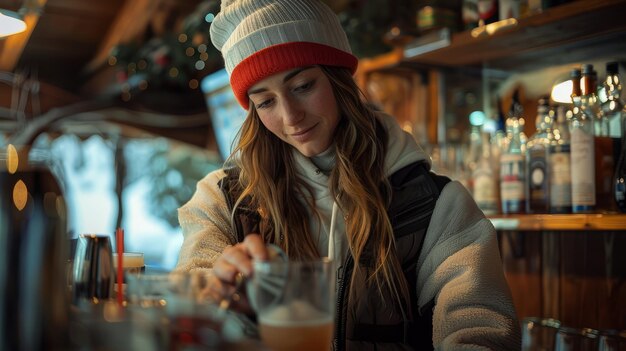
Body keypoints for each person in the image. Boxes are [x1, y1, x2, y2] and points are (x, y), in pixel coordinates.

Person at [176, 0, 521, 349]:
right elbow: (186, 315)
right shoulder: (221, 199)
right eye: (265, 102)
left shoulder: (437, 205)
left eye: (302, 86)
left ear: (338, 78)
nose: (291, 117)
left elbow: (480, 331)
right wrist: (221, 301)